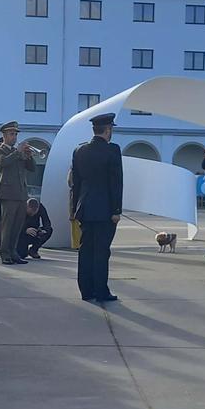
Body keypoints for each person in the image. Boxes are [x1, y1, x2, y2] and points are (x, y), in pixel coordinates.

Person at [70, 112, 123, 302]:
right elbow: (116, 183)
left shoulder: (79, 150)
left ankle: (86, 290)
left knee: (85, 250)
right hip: (105, 209)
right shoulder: (113, 150)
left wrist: (74, 208)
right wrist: (117, 210)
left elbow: (75, 183)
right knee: (101, 251)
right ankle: (101, 291)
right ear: (108, 130)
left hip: (84, 207)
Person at [0, 121, 35, 265]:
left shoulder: (19, 152)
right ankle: (5, 253)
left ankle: (13, 252)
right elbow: (3, 163)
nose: (14, 137)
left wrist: (29, 156)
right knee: (7, 225)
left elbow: (32, 168)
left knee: (17, 225)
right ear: (4, 135)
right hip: (8, 193)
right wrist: (17, 152)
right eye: (12, 134)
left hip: (22, 193)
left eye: (16, 134)